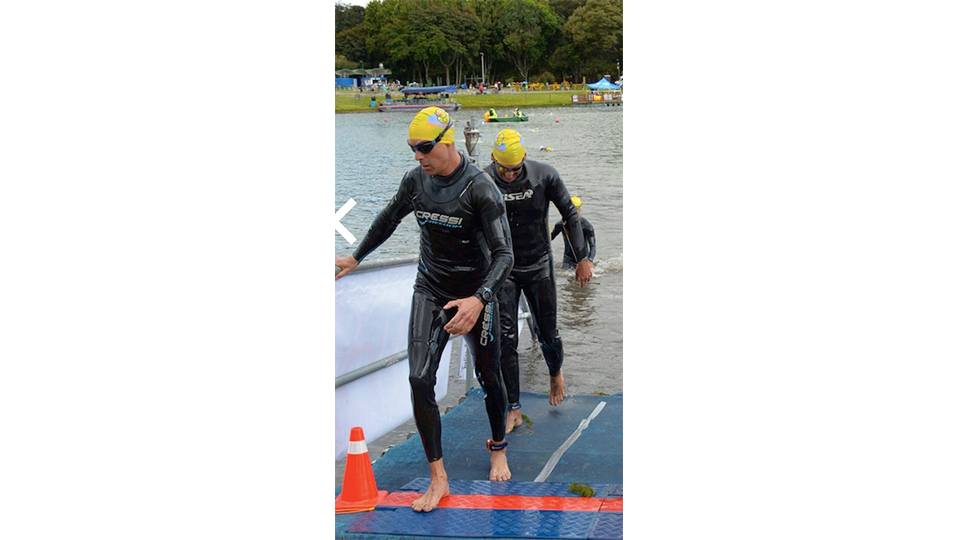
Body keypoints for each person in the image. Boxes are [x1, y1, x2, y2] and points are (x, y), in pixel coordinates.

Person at [334, 107, 515, 512]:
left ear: (448, 142)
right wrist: (357, 256)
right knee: (419, 379)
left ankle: (498, 447)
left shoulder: (481, 188)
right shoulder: (415, 181)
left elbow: (506, 254)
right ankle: (438, 477)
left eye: (424, 148)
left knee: (490, 376)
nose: (417, 156)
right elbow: (388, 219)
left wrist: (480, 298)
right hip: (431, 289)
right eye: (413, 148)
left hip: (476, 293)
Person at [483, 129, 593, 433]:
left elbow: (570, 215)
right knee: (506, 340)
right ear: (493, 159)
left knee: (548, 334)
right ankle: (514, 408)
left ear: (525, 159)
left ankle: (555, 371)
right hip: (503, 268)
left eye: (514, 169)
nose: (507, 175)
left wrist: (582, 258)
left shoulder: (545, 175)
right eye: (502, 169)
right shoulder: (482, 179)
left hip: (539, 264)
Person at [551, 196, 596, 269]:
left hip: (583, 258)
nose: (573, 214)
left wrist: (590, 260)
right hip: (568, 259)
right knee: (567, 277)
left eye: (576, 210)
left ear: (580, 209)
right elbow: (550, 238)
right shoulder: (560, 224)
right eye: (571, 211)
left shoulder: (587, 226)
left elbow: (593, 246)